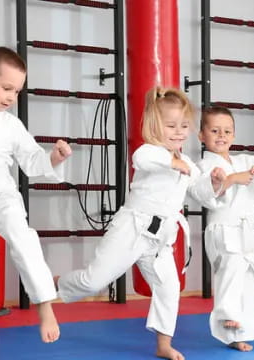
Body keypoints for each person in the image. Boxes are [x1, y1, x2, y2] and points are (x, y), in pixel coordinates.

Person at [56, 86, 225, 360]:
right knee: (93, 281)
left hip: (161, 239)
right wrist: (172, 164)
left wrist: (215, 184)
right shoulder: (150, 152)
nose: (179, 132)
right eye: (171, 126)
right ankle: (54, 283)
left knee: (169, 289)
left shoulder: (188, 163)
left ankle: (163, 344)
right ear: (155, 126)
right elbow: (141, 159)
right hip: (132, 229)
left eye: (184, 126)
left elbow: (202, 194)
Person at [0, 47, 72, 360]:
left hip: (2, 194)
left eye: (17, 91)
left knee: (23, 239)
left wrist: (54, 157)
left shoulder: (9, 124)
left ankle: (45, 306)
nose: (12, 97)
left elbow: (32, 159)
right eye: (7, 88)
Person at [197, 106, 254, 352]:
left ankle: (239, 333)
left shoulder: (246, 160)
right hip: (222, 227)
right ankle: (226, 313)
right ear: (201, 135)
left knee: (250, 279)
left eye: (227, 131)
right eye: (214, 130)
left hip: (248, 229)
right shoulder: (203, 166)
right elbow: (206, 196)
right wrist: (231, 180)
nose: (221, 135)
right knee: (231, 266)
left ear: (233, 135)